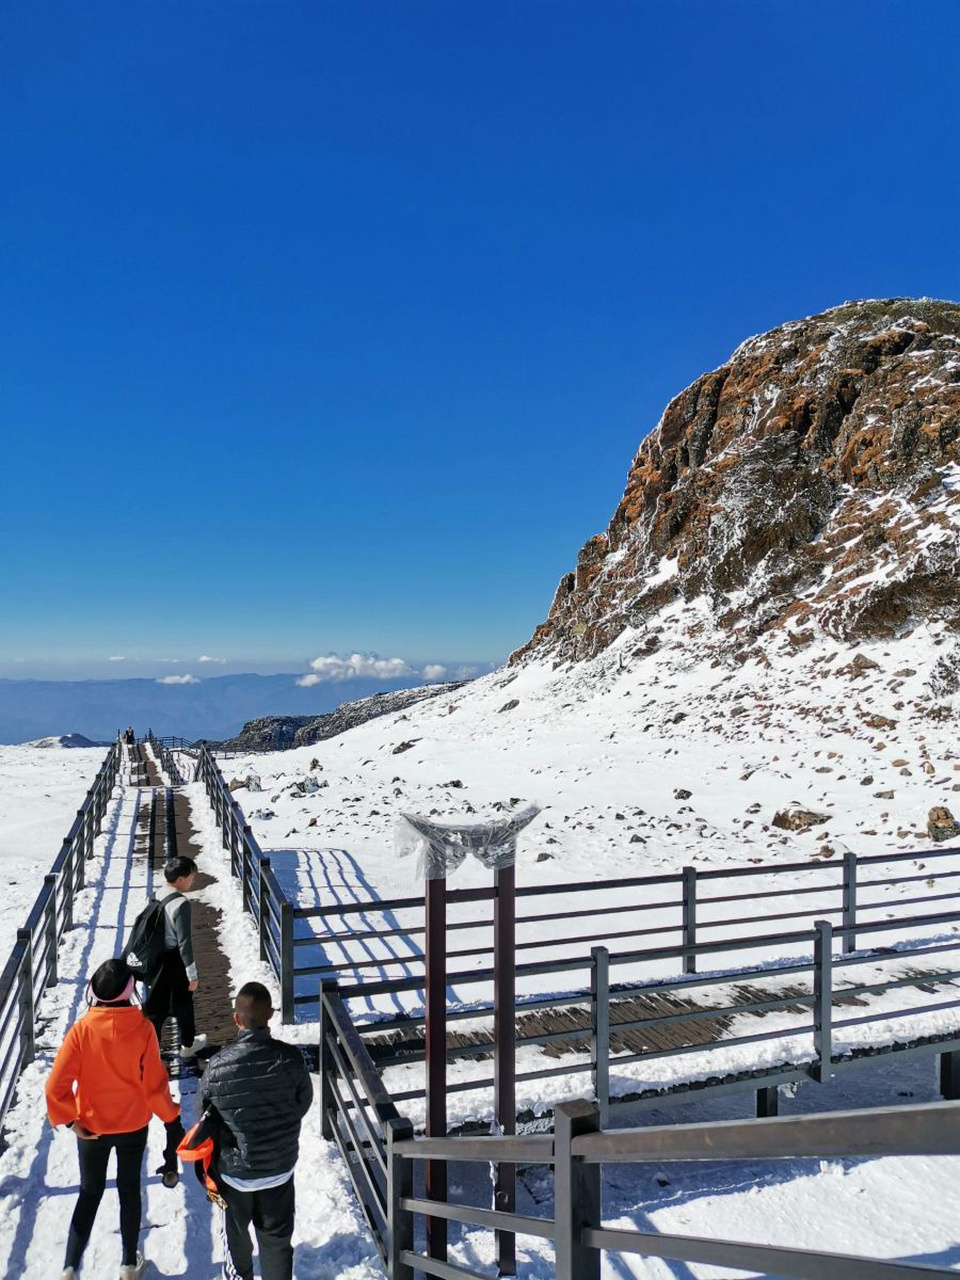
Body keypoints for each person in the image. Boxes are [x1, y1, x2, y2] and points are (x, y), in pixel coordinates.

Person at [45, 957, 184, 1280]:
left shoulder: (81, 1031)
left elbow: (55, 1086)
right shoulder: (144, 1028)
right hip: (133, 1125)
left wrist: (69, 1120)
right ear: (129, 992)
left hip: (91, 1126)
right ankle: (127, 1265)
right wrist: (170, 1117)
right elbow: (154, 1086)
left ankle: (69, 1267)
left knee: (89, 1193)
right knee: (129, 1191)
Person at [198, 982, 313, 1280]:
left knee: (237, 1240)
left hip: (235, 1175)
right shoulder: (291, 1058)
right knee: (276, 1241)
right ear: (270, 1015)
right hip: (279, 1169)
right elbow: (303, 1103)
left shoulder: (216, 1066)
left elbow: (204, 1116)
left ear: (236, 1018)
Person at [142, 855, 207, 1059]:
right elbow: (184, 942)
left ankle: (156, 1049)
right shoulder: (181, 903)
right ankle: (186, 1047)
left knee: (158, 1009)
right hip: (173, 962)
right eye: (191, 877)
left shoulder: (155, 894)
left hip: (155, 960)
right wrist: (192, 974)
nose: (193, 881)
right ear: (180, 879)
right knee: (181, 1005)